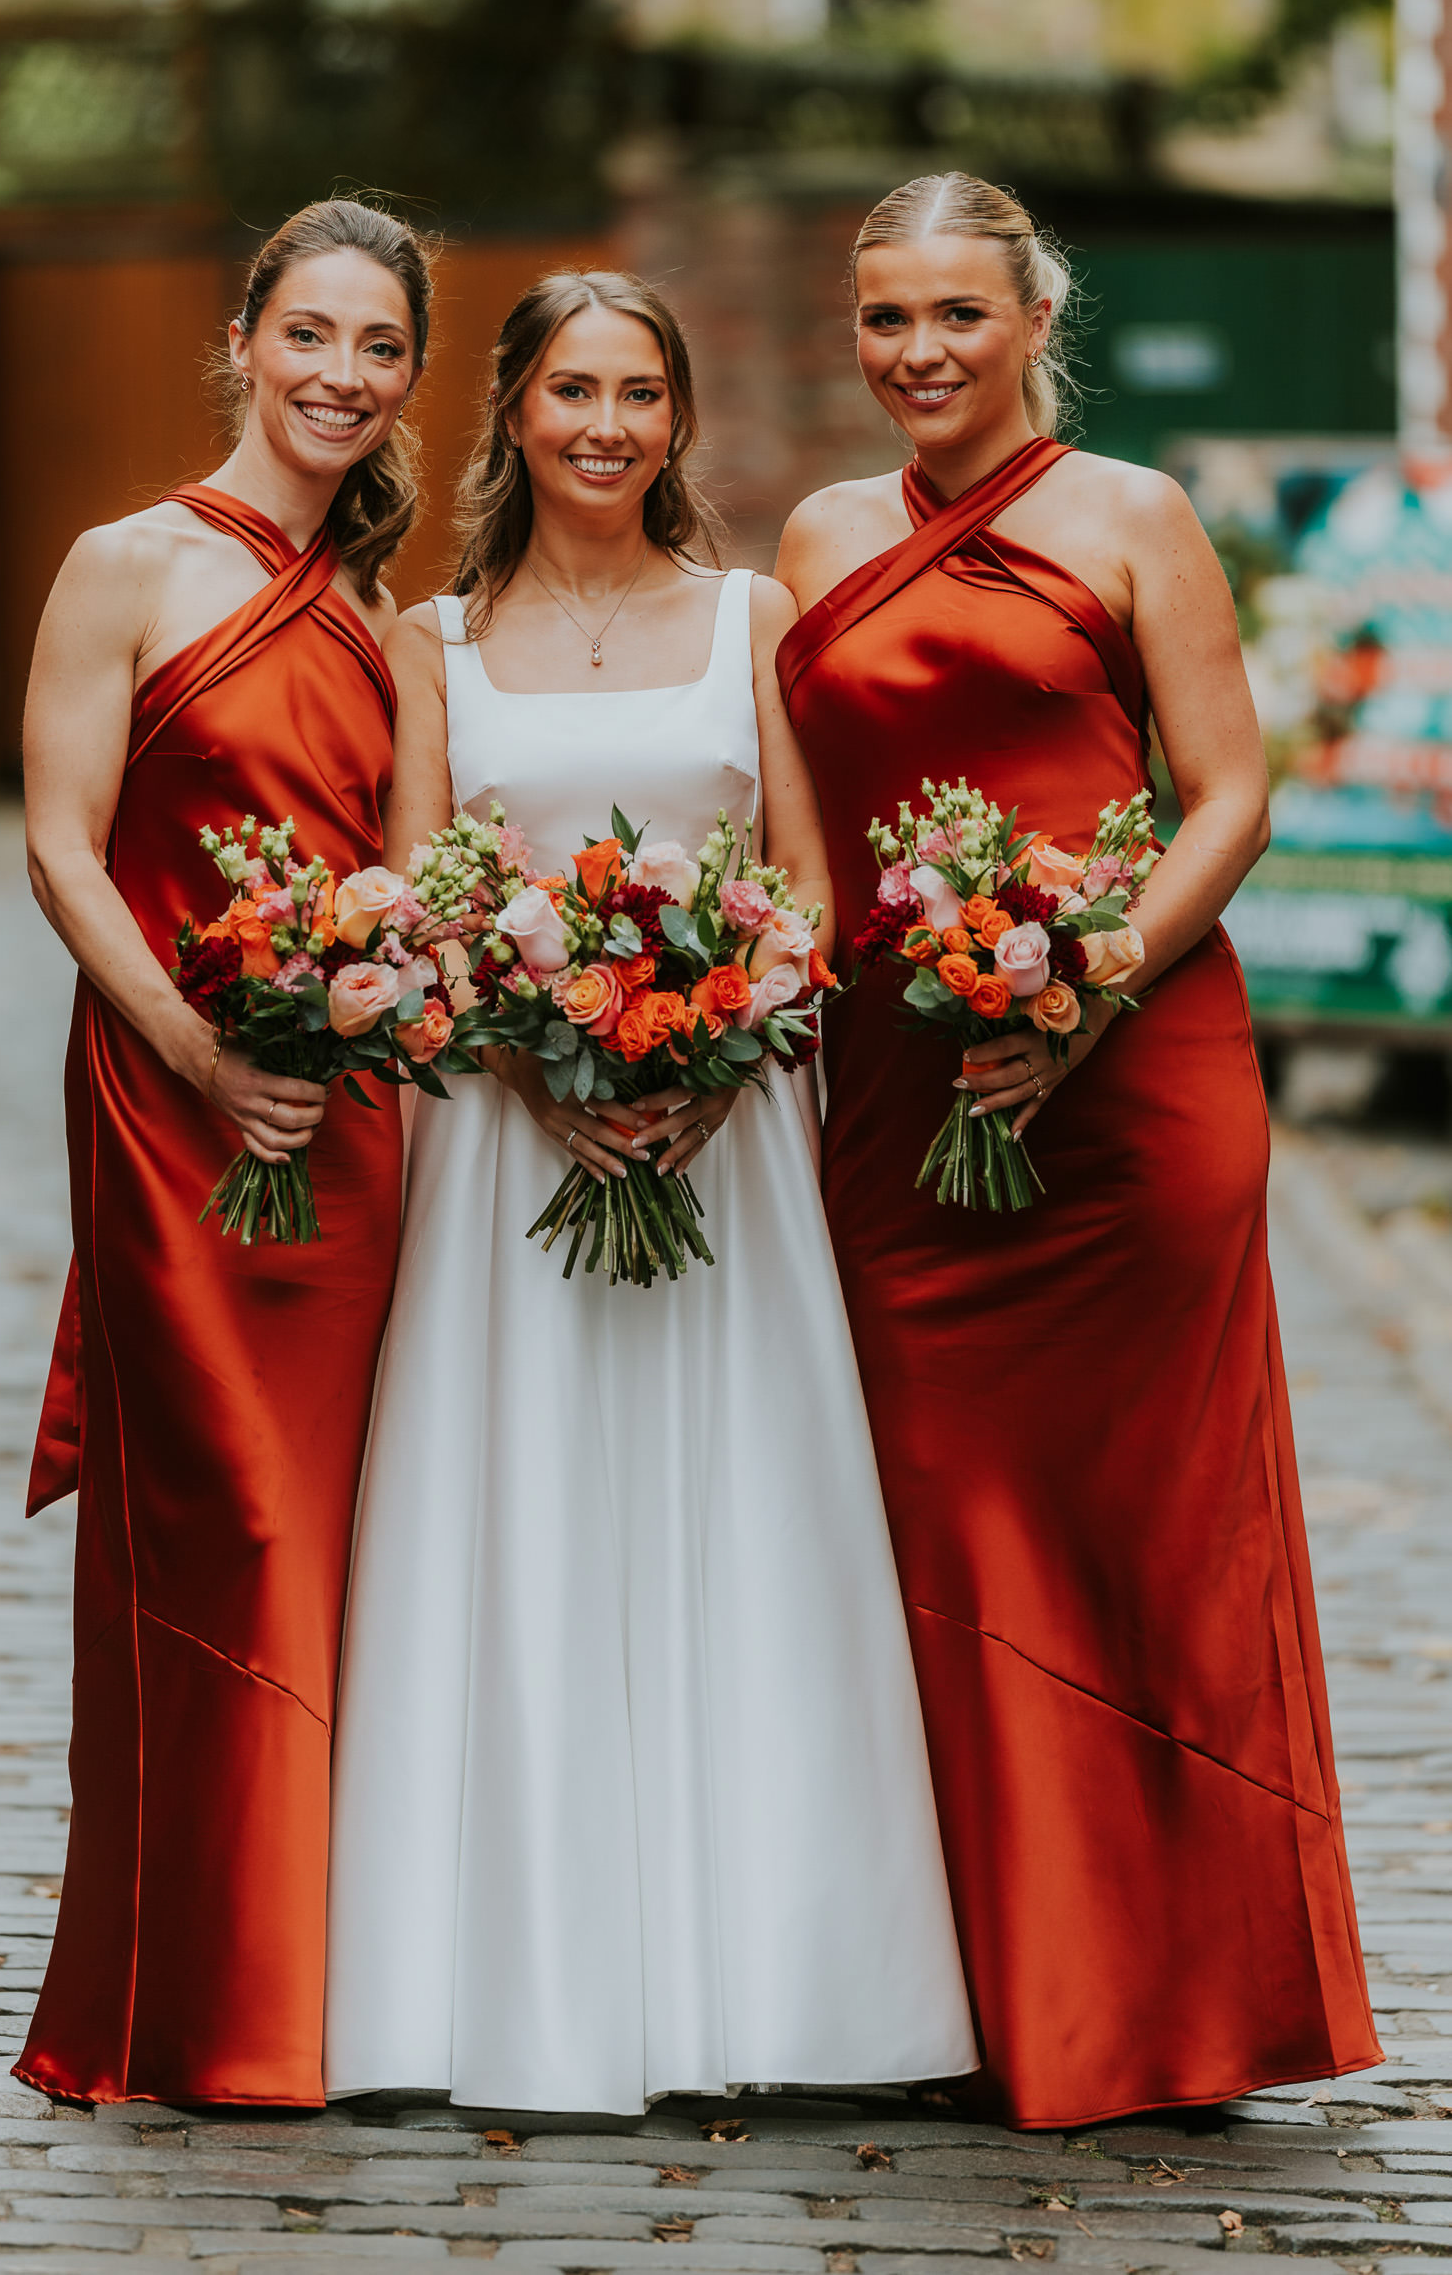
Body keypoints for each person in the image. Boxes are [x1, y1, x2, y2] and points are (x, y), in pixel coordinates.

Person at [321, 268, 978, 2116]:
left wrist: (723, 1044)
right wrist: (541, 1062)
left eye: (639, 394)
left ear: (677, 420)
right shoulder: (433, 640)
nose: (605, 426)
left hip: (727, 1134)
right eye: (572, 391)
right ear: (515, 413)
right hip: (507, 1137)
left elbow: (813, 883)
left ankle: (780, 1981)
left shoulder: (752, 615)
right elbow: (425, 890)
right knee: (516, 1502)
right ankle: (501, 1987)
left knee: (747, 1510)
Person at [774, 171, 1380, 2129]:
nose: (920, 351)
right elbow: (807, 830)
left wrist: (1088, 987)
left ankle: (1184, 2012)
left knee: (1148, 1531)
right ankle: (989, 1996)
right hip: (901, 1093)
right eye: (886, 317)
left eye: (959, 312)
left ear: (1037, 317)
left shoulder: (1134, 515)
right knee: (938, 1520)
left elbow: (1231, 796)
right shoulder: (819, 534)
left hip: (1130, 1087)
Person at [16, 198, 430, 2107]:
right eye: (310, 335)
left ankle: (316, 1986)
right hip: (165, 1102)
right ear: (245, 340)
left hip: (346, 1126)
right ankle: (194, 2003)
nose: (340, 375)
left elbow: (416, 885)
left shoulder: (385, 622)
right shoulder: (126, 563)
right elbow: (62, 847)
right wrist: (196, 1053)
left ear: (408, 379)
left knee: (332, 1533)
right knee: (222, 1526)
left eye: (379, 348)